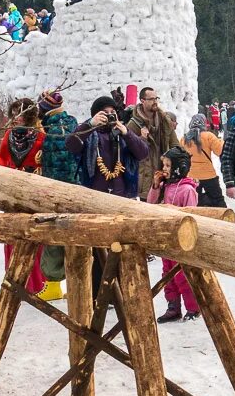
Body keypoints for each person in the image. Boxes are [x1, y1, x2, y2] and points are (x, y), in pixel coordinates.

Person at [67, 95, 150, 294]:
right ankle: (98, 292)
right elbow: (71, 145)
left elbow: (143, 153)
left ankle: (123, 289)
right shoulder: (88, 132)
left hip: (121, 199)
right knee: (98, 250)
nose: (109, 116)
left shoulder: (121, 134)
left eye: (113, 113)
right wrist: (89, 125)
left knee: (121, 248)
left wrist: (127, 132)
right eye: (105, 113)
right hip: (95, 199)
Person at [0, 98, 50, 296]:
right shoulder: (9, 135)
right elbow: (0, 156)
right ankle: (15, 278)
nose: (16, 117)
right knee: (12, 235)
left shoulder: (40, 135)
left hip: (34, 190)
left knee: (34, 233)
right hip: (12, 189)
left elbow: (44, 159)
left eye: (21, 112)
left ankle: (37, 281)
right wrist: (8, 172)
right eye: (15, 112)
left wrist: (33, 170)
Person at [148, 146, 201, 322]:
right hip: (166, 238)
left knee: (182, 275)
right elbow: (150, 204)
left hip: (181, 240)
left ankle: (193, 308)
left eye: (168, 165)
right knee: (167, 274)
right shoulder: (165, 186)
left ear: (180, 167)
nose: (164, 169)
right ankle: (173, 307)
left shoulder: (187, 190)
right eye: (164, 165)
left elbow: (191, 215)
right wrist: (155, 186)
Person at [36, 90, 79, 301]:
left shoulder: (50, 130)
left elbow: (53, 165)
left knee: (53, 236)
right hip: (78, 189)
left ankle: (52, 284)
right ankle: (77, 283)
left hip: (55, 191)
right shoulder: (73, 124)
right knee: (76, 237)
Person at [127, 87, 179, 200]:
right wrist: (141, 139)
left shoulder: (165, 121)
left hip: (163, 172)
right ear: (142, 100)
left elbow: (175, 145)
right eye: (151, 99)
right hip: (144, 176)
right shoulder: (133, 124)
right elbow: (129, 151)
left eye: (156, 98)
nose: (155, 102)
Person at [182, 112, 225, 207]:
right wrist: (221, 141)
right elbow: (219, 151)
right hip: (208, 174)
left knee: (194, 200)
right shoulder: (209, 136)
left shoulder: (184, 139)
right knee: (217, 199)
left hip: (191, 176)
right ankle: (223, 217)